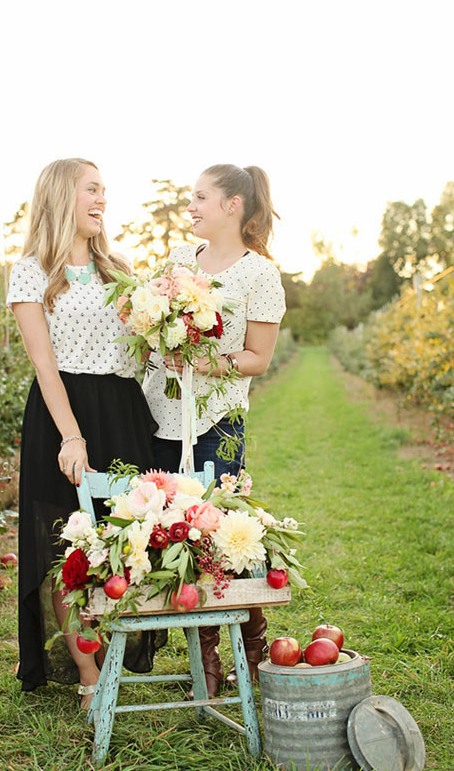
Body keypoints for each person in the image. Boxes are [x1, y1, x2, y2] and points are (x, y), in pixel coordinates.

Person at [7, 158, 158, 710]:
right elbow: (44, 366)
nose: (102, 199)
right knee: (66, 552)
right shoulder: (30, 272)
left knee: (126, 540)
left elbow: (142, 347)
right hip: (61, 415)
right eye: (91, 189)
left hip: (121, 410)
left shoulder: (119, 268)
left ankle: (118, 649)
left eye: (104, 191)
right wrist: (71, 438)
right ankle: (89, 672)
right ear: (60, 196)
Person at [143, 163, 286, 696]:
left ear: (233, 205)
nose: (191, 207)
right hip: (162, 414)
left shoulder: (259, 274)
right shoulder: (180, 260)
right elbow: (153, 324)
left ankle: (251, 652)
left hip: (217, 419)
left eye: (200, 197)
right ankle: (205, 662)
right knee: (177, 532)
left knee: (221, 533)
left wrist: (207, 363)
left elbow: (258, 358)